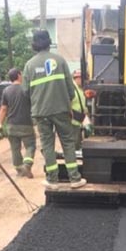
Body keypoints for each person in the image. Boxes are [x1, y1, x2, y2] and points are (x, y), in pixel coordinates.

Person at [22, 30, 87, 190]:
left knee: (47, 144)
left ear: (34, 44)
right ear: (49, 42)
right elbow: (70, 89)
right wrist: (67, 103)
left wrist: (37, 100)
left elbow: (25, 92)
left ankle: (52, 180)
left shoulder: (29, 65)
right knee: (67, 142)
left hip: (40, 111)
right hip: (61, 109)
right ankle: (75, 179)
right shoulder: (60, 60)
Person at [0, 68, 36, 179]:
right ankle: (27, 166)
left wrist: (0, 123)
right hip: (26, 124)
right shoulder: (26, 89)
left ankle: (19, 170)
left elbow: (3, 108)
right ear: (19, 75)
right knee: (30, 146)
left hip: (11, 125)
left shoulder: (6, 91)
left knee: (15, 148)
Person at [70, 69, 89, 150]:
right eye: (82, 79)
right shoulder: (71, 89)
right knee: (74, 146)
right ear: (76, 78)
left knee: (78, 145)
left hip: (79, 122)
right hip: (72, 122)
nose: (84, 81)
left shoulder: (80, 90)